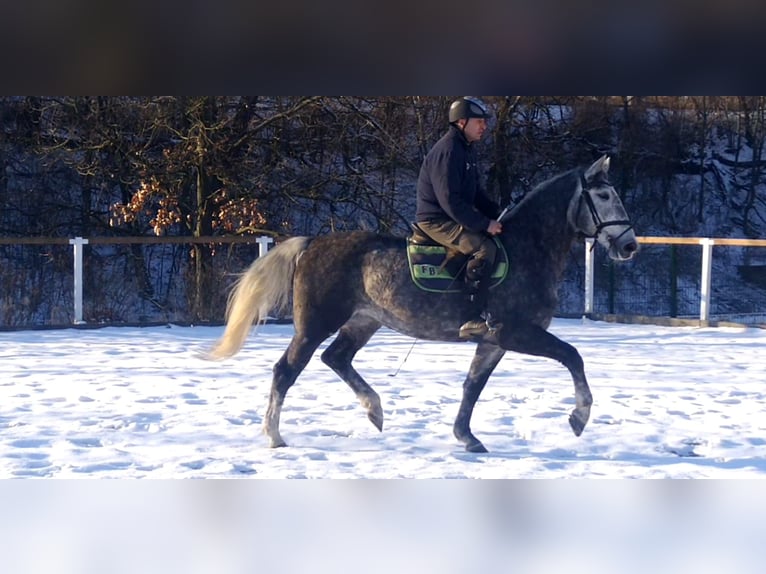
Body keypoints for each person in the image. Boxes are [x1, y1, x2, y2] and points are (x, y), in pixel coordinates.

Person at [415, 96, 503, 339]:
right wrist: (484, 224)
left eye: (485, 122)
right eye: (479, 122)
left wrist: (499, 215)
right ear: (461, 122)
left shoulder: (465, 150)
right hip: (436, 220)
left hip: (450, 217)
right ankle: (469, 318)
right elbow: (450, 201)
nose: (484, 126)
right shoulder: (449, 151)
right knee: (484, 248)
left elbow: (475, 195)